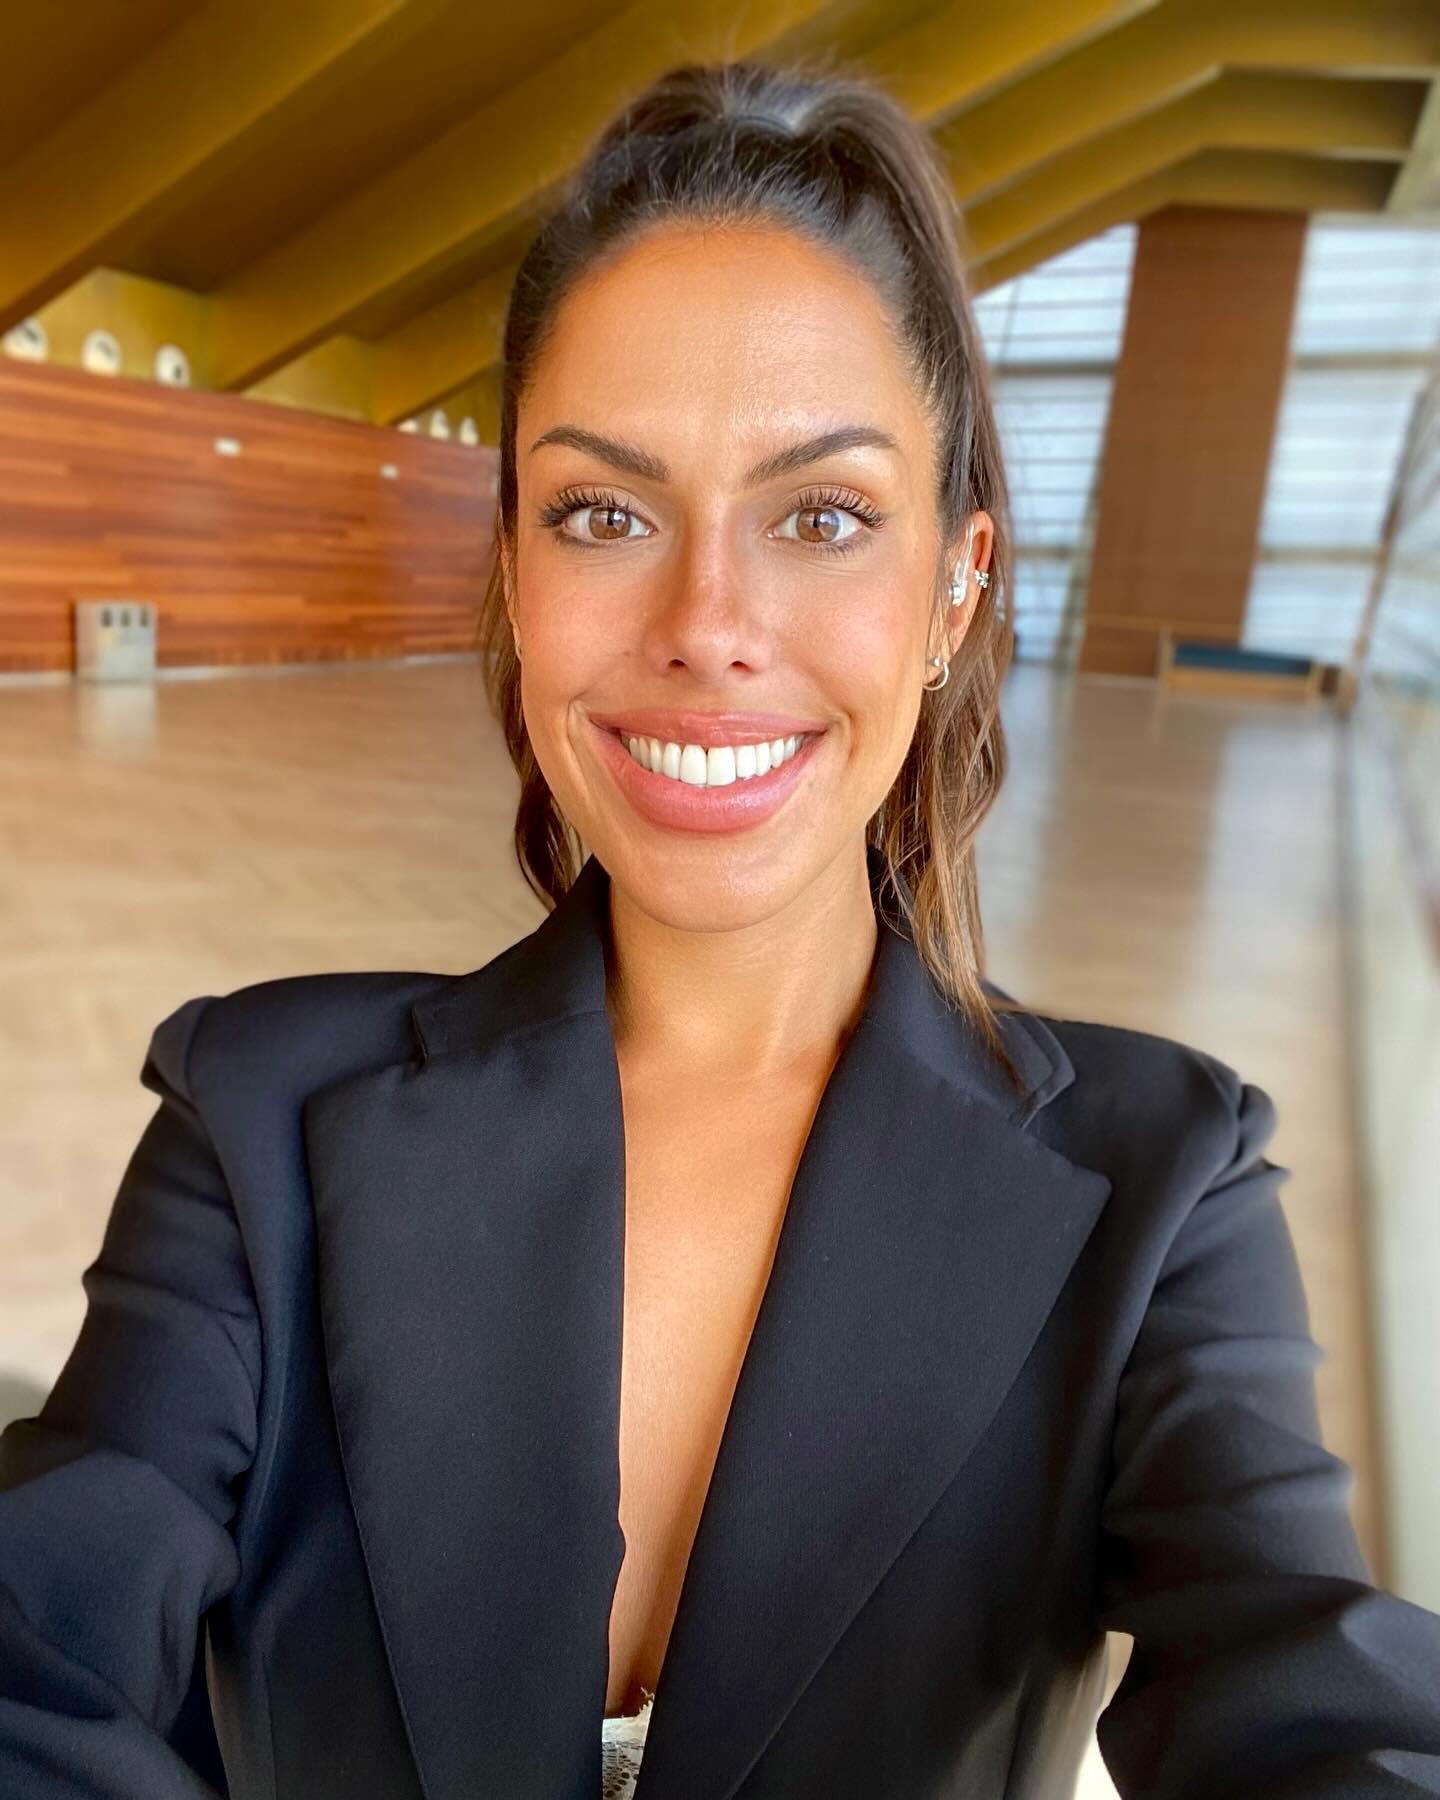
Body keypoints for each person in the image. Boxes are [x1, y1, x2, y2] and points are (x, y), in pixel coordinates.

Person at [4, 54, 1440, 1800]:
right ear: (515, 567)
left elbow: (1315, 1690)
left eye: (822, 516)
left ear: (956, 586)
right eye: (605, 513)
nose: (707, 621)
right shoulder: (255, 1122)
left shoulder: (1164, 1194)